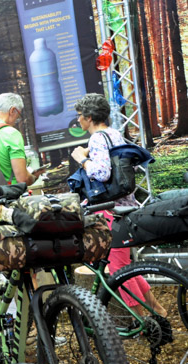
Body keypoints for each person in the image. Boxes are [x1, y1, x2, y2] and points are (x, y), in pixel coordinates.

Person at [70, 93, 166, 317]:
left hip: (109, 212)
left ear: (90, 117)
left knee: (118, 270)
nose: (78, 121)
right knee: (126, 268)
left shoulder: (96, 138)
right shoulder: (113, 134)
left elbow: (102, 173)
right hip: (125, 206)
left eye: (80, 116)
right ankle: (159, 312)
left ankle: (141, 322)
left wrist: (82, 160)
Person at [0, 93, 47, 186]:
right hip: (7, 196)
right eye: (18, 115)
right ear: (12, 110)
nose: (17, 121)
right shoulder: (11, 134)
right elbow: (22, 179)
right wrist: (34, 176)